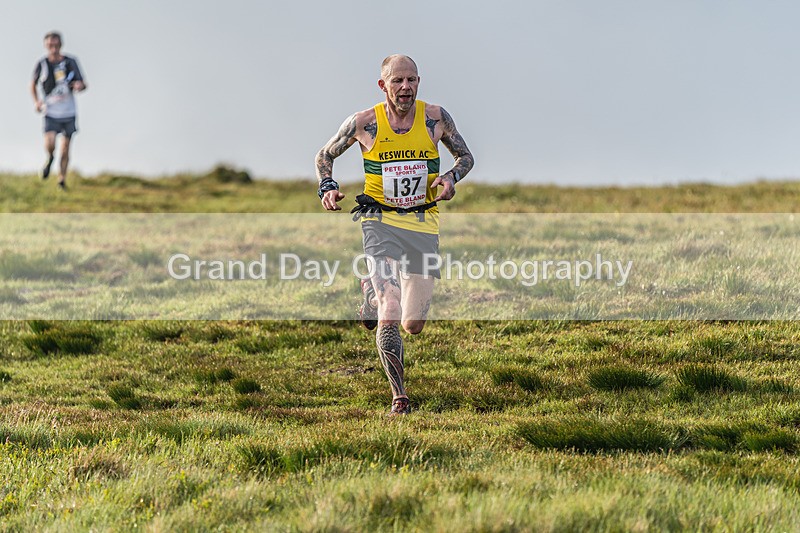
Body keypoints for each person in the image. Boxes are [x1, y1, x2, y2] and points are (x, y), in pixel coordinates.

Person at [315, 54, 474, 415]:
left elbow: (465, 157)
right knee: (391, 305)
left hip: (423, 222)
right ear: (382, 85)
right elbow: (325, 154)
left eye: (411, 80)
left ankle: (369, 293)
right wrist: (327, 185)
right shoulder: (364, 123)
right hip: (379, 221)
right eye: (397, 81)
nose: (405, 88)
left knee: (413, 323)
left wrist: (450, 178)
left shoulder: (435, 117)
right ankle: (399, 396)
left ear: (419, 82)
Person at [30, 31, 87, 190]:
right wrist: (37, 102)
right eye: (50, 45)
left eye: (56, 45)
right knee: (50, 144)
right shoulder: (42, 64)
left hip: (68, 112)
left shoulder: (70, 62)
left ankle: (61, 179)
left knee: (66, 148)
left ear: (60, 45)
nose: (53, 48)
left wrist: (79, 86)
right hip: (50, 112)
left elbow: (83, 83)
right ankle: (50, 158)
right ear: (46, 46)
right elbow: (32, 84)